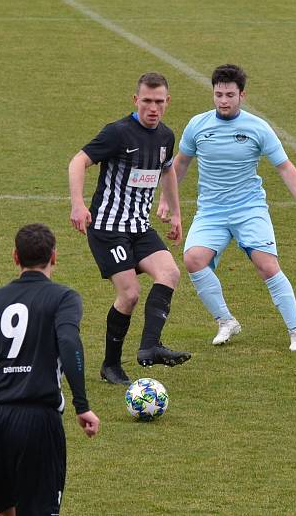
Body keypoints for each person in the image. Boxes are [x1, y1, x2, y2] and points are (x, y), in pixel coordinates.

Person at [157, 64, 296, 351]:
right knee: (193, 259)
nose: (223, 101)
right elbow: (180, 163)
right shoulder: (198, 125)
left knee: (267, 266)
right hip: (211, 212)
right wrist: (166, 198)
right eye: (218, 94)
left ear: (242, 95)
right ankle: (226, 321)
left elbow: (284, 167)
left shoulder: (258, 128)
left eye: (230, 94)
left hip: (249, 209)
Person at [0, 223, 100, 515]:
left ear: (15, 257)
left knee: (4, 510)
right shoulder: (64, 298)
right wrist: (82, 405)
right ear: (54, 256)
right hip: (37, 419)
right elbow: (68, 342)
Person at [69, 72, 191, 385]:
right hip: (108, 228)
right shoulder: (118, 133)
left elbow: (167, 172)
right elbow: (78, 162)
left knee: (170, 273)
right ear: (136, 100)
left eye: (159, 102)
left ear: (167, 102)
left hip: (139, 226)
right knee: (130, 294)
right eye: (147, 101)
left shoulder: (166, 136)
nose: (153, 108)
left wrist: (175, 213)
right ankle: (110, 366)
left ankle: (150, 345)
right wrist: (78, 205)